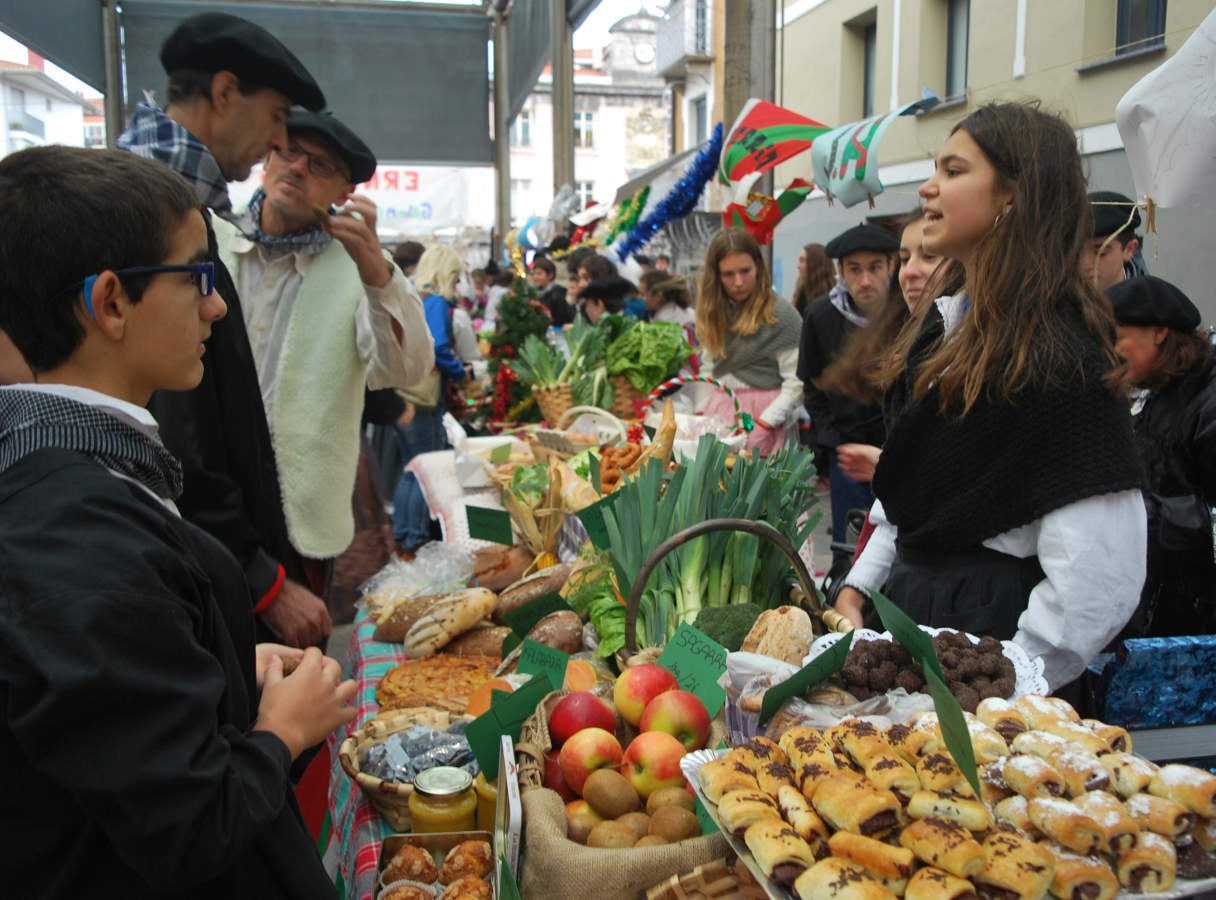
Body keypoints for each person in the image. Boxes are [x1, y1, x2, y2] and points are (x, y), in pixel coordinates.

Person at [0, 144, 355, 897]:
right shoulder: (75, 539)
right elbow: (190, 825)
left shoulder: (82, 474)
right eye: (196, 276)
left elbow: (115, 726)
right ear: (110, 304)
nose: (215, 305)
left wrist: (223, 671)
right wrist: (281, 731)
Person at [833, 102, 1146, 693]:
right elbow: (912, 498)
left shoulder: (1059, 360)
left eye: (953, 171)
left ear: (1012, 195)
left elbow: (1097, 579)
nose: (928, 187)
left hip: (989, 640)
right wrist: (859, 587)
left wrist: (1002, 688)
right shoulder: (950, 331)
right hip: (921, 620)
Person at [116, 12, 332, 648]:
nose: (275, 144)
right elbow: (171, 422)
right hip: (189, 560)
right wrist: (258, 574)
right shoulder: (148, 215)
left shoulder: (182, 208)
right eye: (275, 117)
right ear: (224, 93)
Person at [217, 110, 432, 585]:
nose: (297, 168)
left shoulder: (357, 267)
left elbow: (406, 368)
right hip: (206, 496)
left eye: (321, 166)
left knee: (295, 655)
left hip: (296, 515)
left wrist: (378, 274)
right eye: (289, 152)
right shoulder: (214, 238)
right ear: (267, 158)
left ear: (344, 194)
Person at [1108, 275, 1216, 637]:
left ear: (1158, 333)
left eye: (1117, 337)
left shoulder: (1207, 400)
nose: (1107, 353)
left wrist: (1136, 514)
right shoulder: (1153, 393)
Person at [798, 223, 899, 579]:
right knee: (851, 548)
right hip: (849, 452)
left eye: (875, 267)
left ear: (892, 265)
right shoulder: (821, 315)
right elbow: (811, 384)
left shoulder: (907, 312)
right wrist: (831, 438)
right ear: (840, 272)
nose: (866, 280)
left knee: (898, 547)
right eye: (855, 269)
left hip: (899, 451)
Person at [393, 245, 474, 555]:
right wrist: (459, 373)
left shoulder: (412, 294)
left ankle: (402, 533)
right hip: (423, 397)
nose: (456, 286)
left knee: (410, 467)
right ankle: (415, 537)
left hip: (402, 392)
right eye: (455, 278)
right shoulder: (436, 301)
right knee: (424, 468)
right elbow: (439, 347)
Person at [696, 227, 804, 456]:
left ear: (758, 266)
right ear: (716, 275)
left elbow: (796, 383)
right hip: (720, 411)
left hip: (767, 416)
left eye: (745, 271)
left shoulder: (782, 315)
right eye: (728, 274)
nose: (738, 282)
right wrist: (699, 412)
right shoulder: (713, 311)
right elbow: (707, 369)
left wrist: (765, 423)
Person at [1082, 190, 1145, 292]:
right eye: (1077, 253)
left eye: (1101, 253)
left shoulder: (1154, 303)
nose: (1085, 263)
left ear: (1129, 249)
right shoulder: (1054, 302)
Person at [791, 242, 836, 317]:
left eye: (802, 261)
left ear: (814, 264)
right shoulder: (802, 293)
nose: (798, 266)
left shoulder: (834, 298)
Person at [529, 255, 574, 325]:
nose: (535, 277)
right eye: (534, 274)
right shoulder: (534, 294)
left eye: (539, 274)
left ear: (550, 275)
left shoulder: (557, 295)